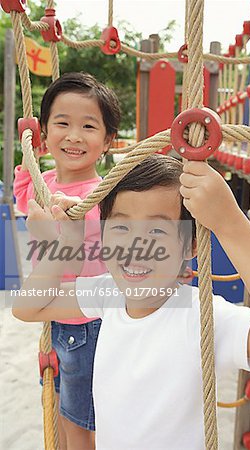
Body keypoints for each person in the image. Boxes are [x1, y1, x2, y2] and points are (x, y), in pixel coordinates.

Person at [13, 154, 250, 450]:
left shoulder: (200, 316)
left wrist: (230, 224)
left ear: (190, 244)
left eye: (157, 231)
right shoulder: (109, 294)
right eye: (121, 228)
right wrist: (65, 244)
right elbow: (29, 306)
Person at [13, 72, 121, 450]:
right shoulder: (44, 182)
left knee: (80, 424)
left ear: (108, 140)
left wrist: (71, 221)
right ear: (45, 132)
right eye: (62, 123)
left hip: (89, 325)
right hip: (57, 317)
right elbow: (24, 196)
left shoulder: (103, 197)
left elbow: (77, 259)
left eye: (89, 126)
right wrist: (28, 153)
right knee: (57, 405)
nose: (74, 136)